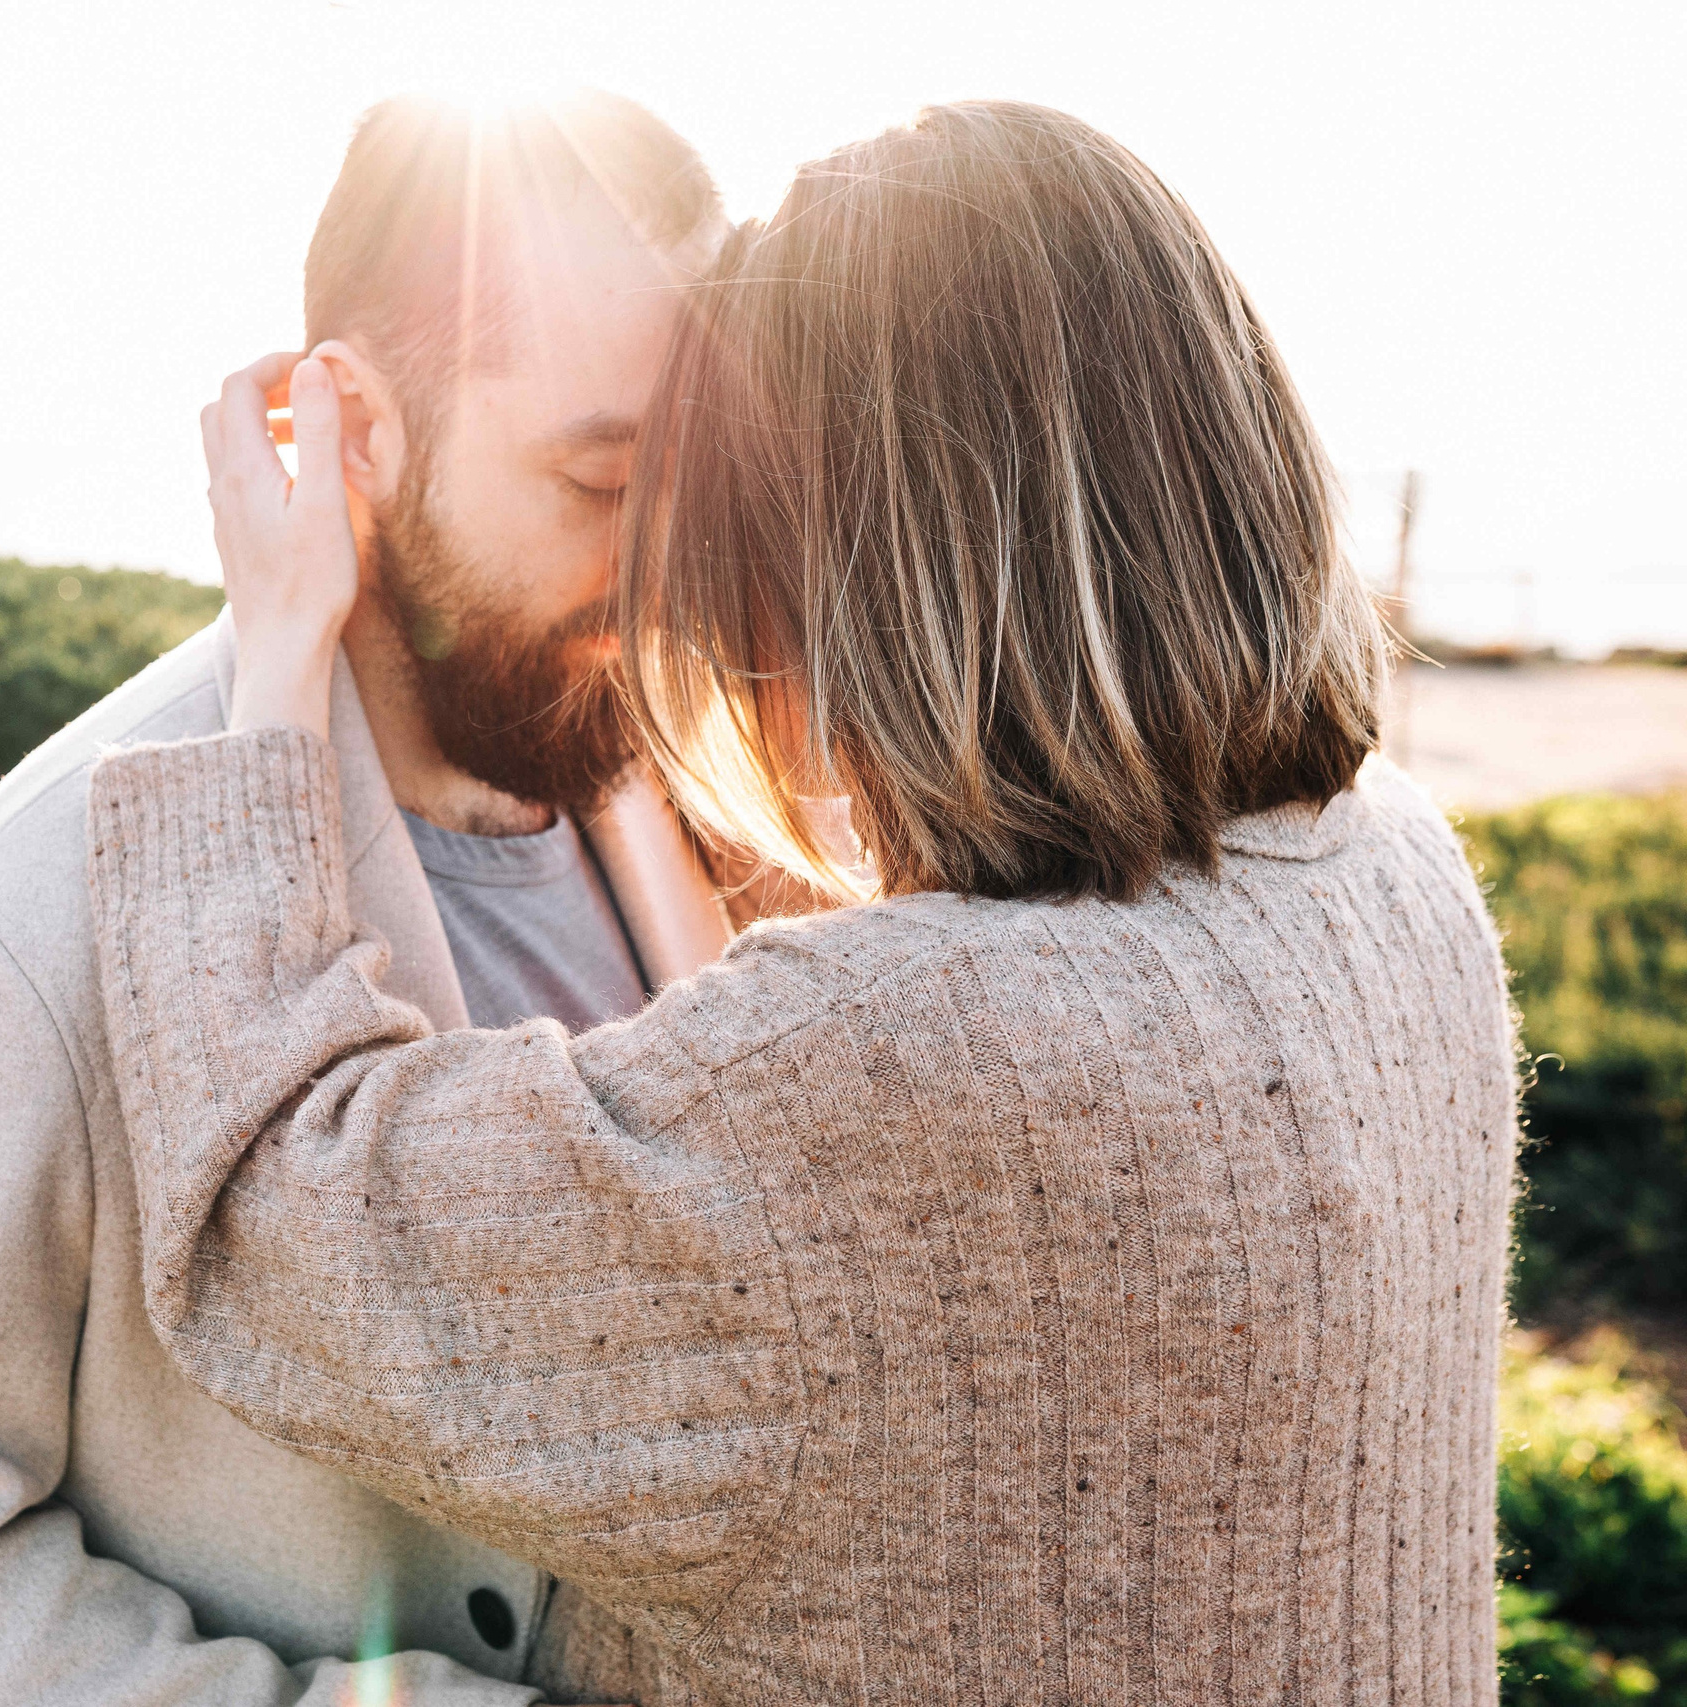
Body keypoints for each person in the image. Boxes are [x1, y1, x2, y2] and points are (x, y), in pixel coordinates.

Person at [83, 102, 1520, 1705]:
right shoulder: (1397, 876)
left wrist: (277, 651)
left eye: (714, 501)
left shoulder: (885, 1069)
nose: (675, 583)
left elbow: (274, 1229)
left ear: (880, 537)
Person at [0, 93, 737, 1706]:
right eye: (604, 480)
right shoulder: (22, 923)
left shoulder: (686, 774)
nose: (672, 565)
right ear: (355, 431)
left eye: (704, 484)